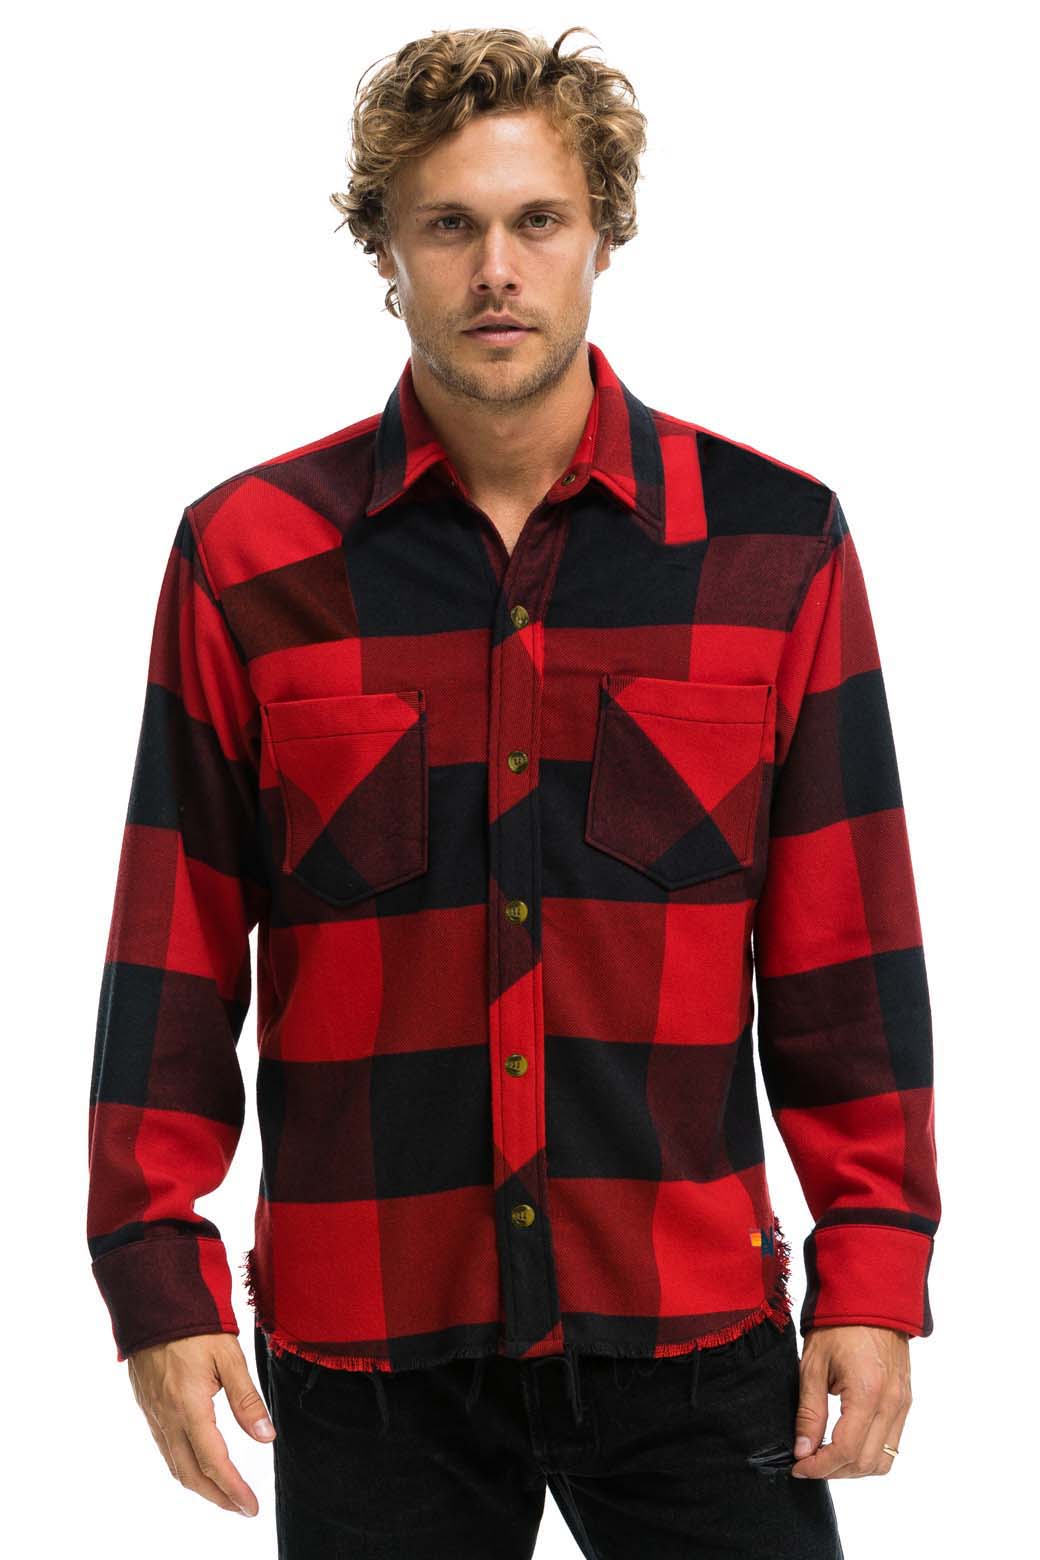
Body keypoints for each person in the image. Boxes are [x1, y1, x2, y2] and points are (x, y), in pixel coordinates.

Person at [86, 24, 939, 1559]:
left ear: (604, 233)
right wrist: (156, 1274)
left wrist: (872, 1271)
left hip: (691, 1329)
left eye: (538, 220)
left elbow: (843, 958)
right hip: (369, 1349)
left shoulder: (773, 547)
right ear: (384, 252)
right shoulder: (248, 559)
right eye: (449, 225)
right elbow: (177, 947)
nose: (496, 269)